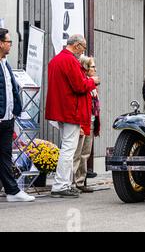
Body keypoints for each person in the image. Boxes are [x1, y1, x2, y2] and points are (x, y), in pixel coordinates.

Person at [45, 35, 100, 198]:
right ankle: (61, 185)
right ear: (76, 45)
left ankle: (65, 183)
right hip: (71, 110)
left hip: (61, 109)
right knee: (69, 149)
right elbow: (79, 86)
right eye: (82, 48)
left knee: (67, 148)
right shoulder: (70, 61)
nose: (82, 52)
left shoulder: (55, 60)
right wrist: (92, 81)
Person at [0, 28, 35, 202]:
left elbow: (11, 89)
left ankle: (12, 191)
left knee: (5, 155)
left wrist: (15, 110)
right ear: (0, 43)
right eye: (8, 41)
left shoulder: (5, 63)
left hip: (7, 118)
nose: (10, 45)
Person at [73, 56, 101, 193]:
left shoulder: (93, 85)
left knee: (85, 153)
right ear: (85, 67)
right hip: (82, 122)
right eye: (92, 66)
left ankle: (80, 181)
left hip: (91, 121)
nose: (95, 69)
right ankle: (71, 183)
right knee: (76, 153)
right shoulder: (83, 82)